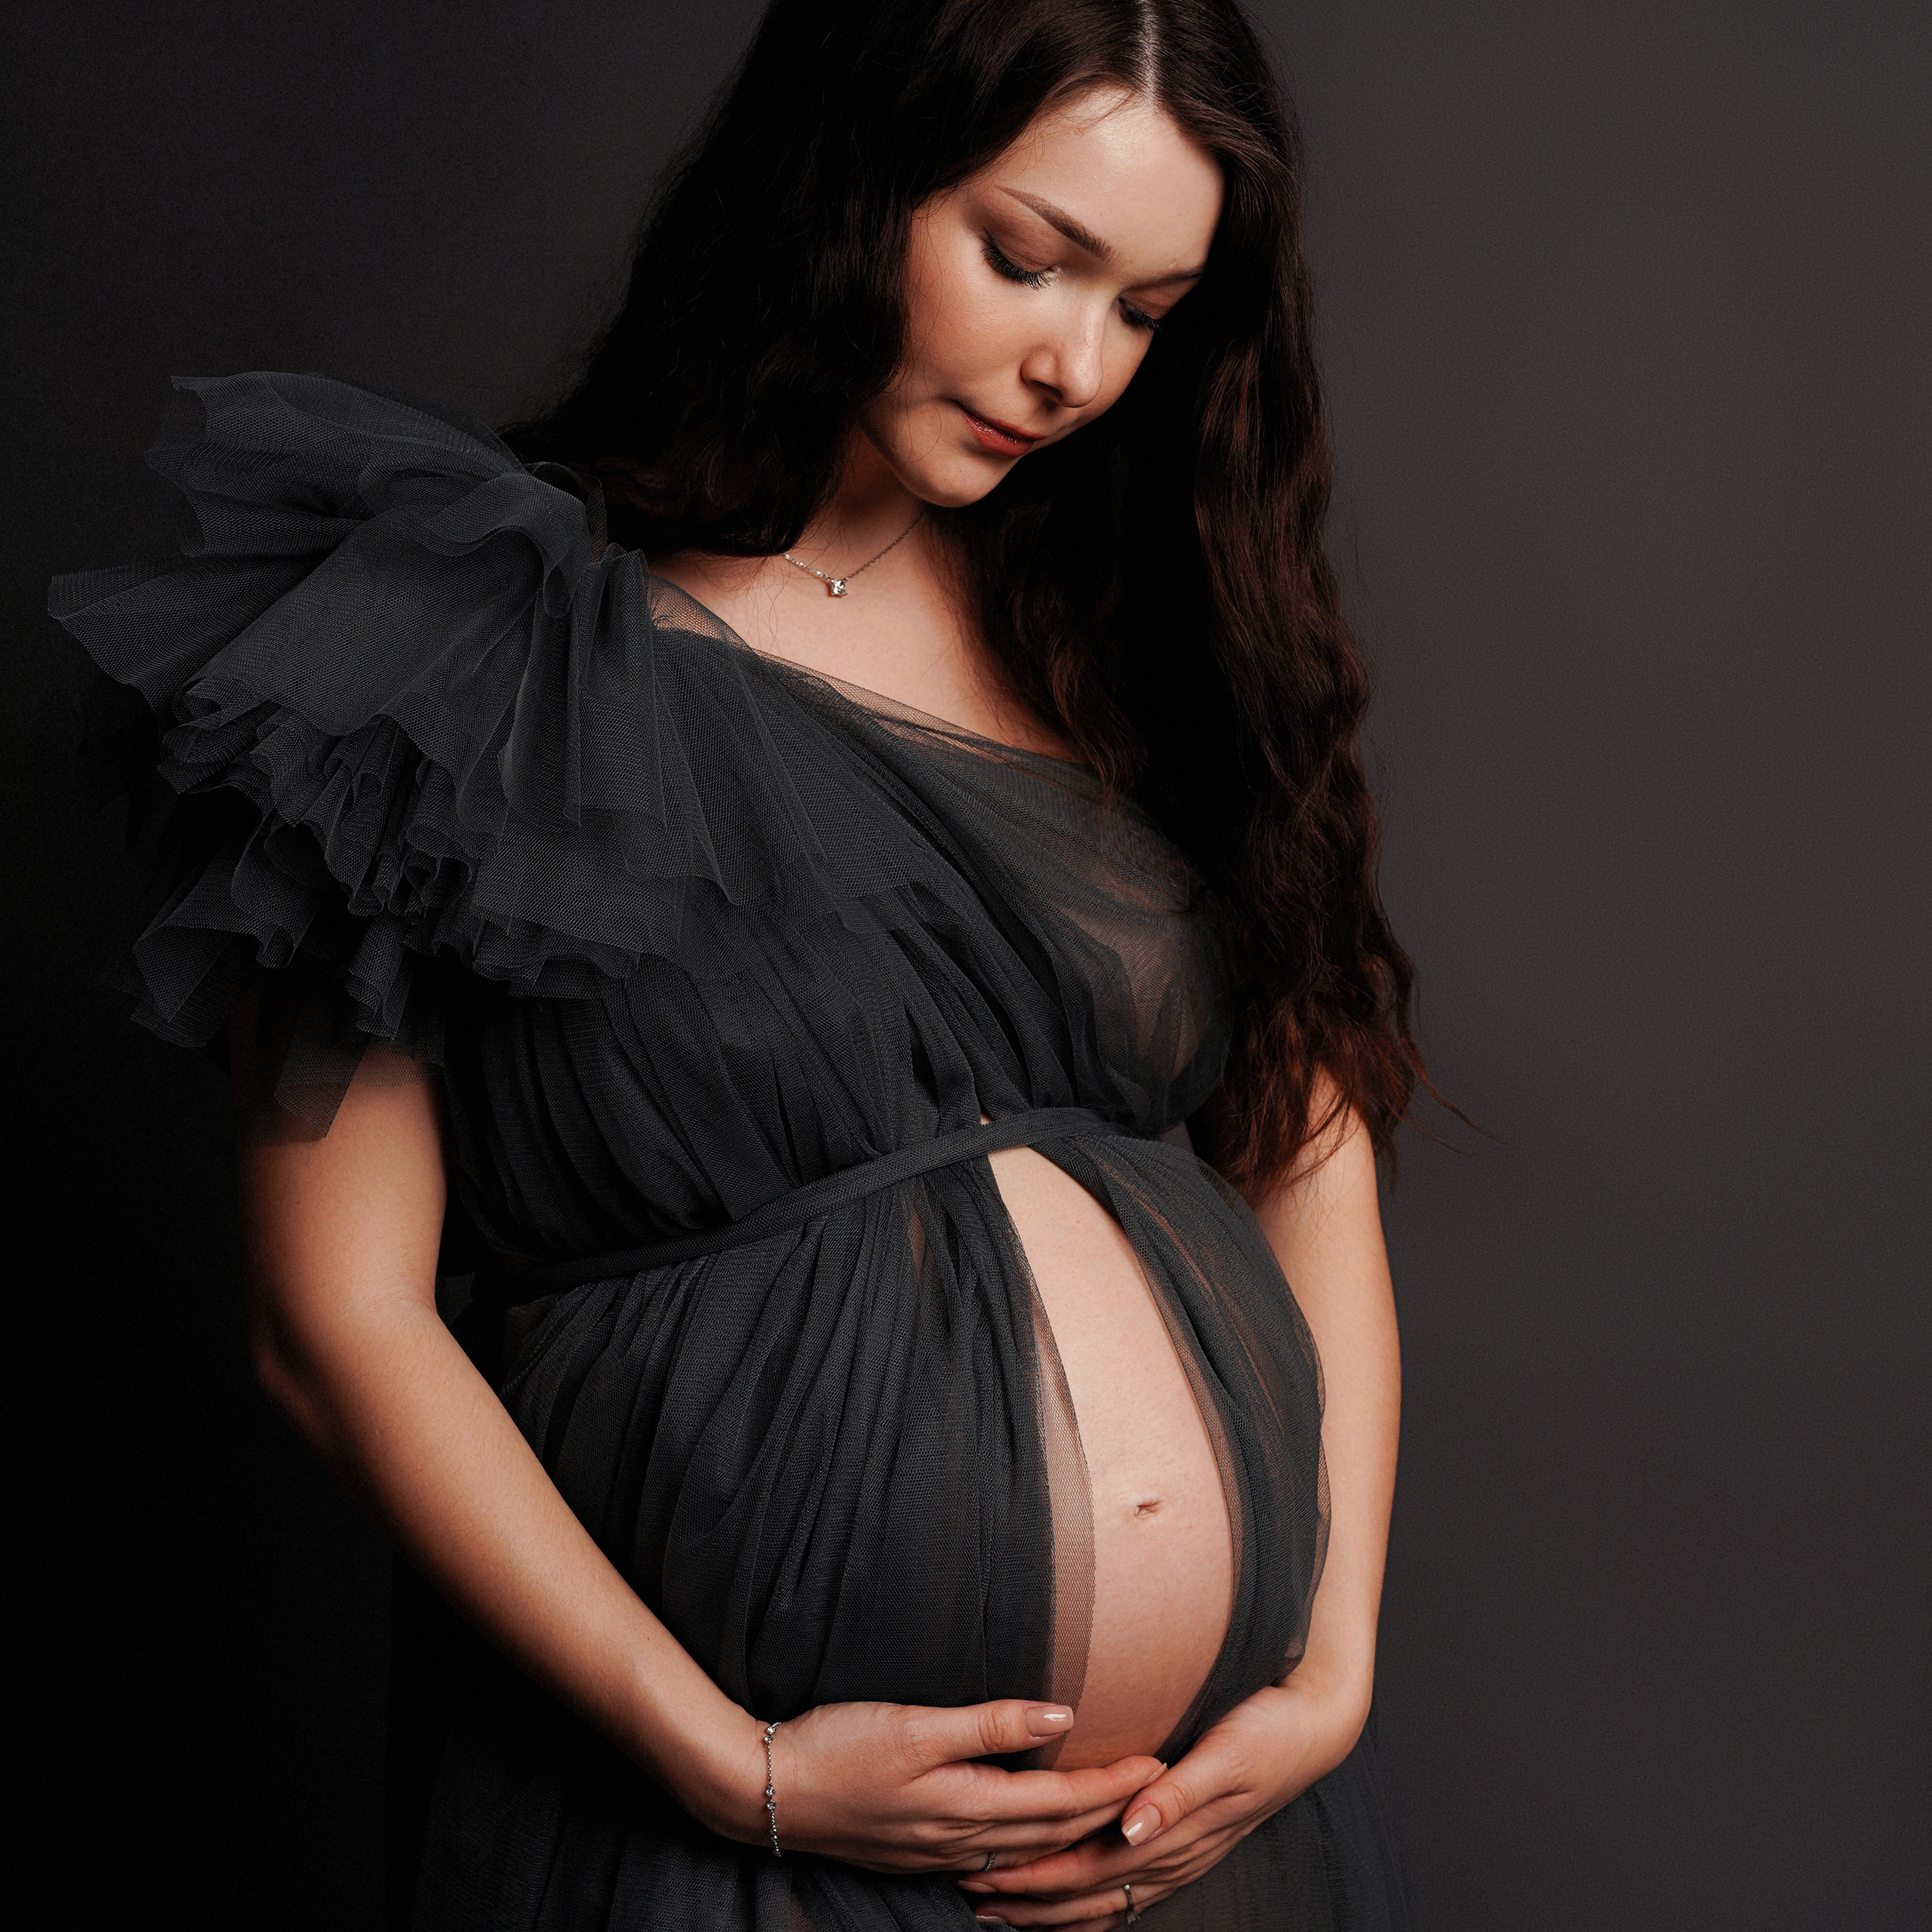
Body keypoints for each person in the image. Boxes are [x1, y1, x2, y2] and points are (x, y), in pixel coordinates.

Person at [49, 1, 1425, 1924]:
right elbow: (336, 1314)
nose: (1073, 364)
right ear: (841, 181)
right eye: (1026, 259)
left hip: (1197, 1845)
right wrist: (731, 1759)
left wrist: (1330, 1662)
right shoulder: (463, 641)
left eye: (1146, 308)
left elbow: (1306, 1134)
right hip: (717, 1832)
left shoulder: (1124, 627)